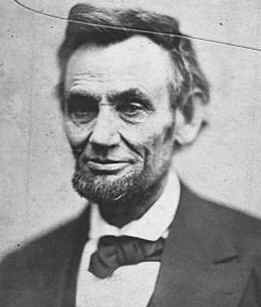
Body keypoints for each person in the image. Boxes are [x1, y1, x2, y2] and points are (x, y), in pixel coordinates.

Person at [1, 3, 261, 307]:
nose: (101, 137)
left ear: (187, 117)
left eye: (131, 108)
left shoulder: (254, 257)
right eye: (82, 109)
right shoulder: (14, 274)